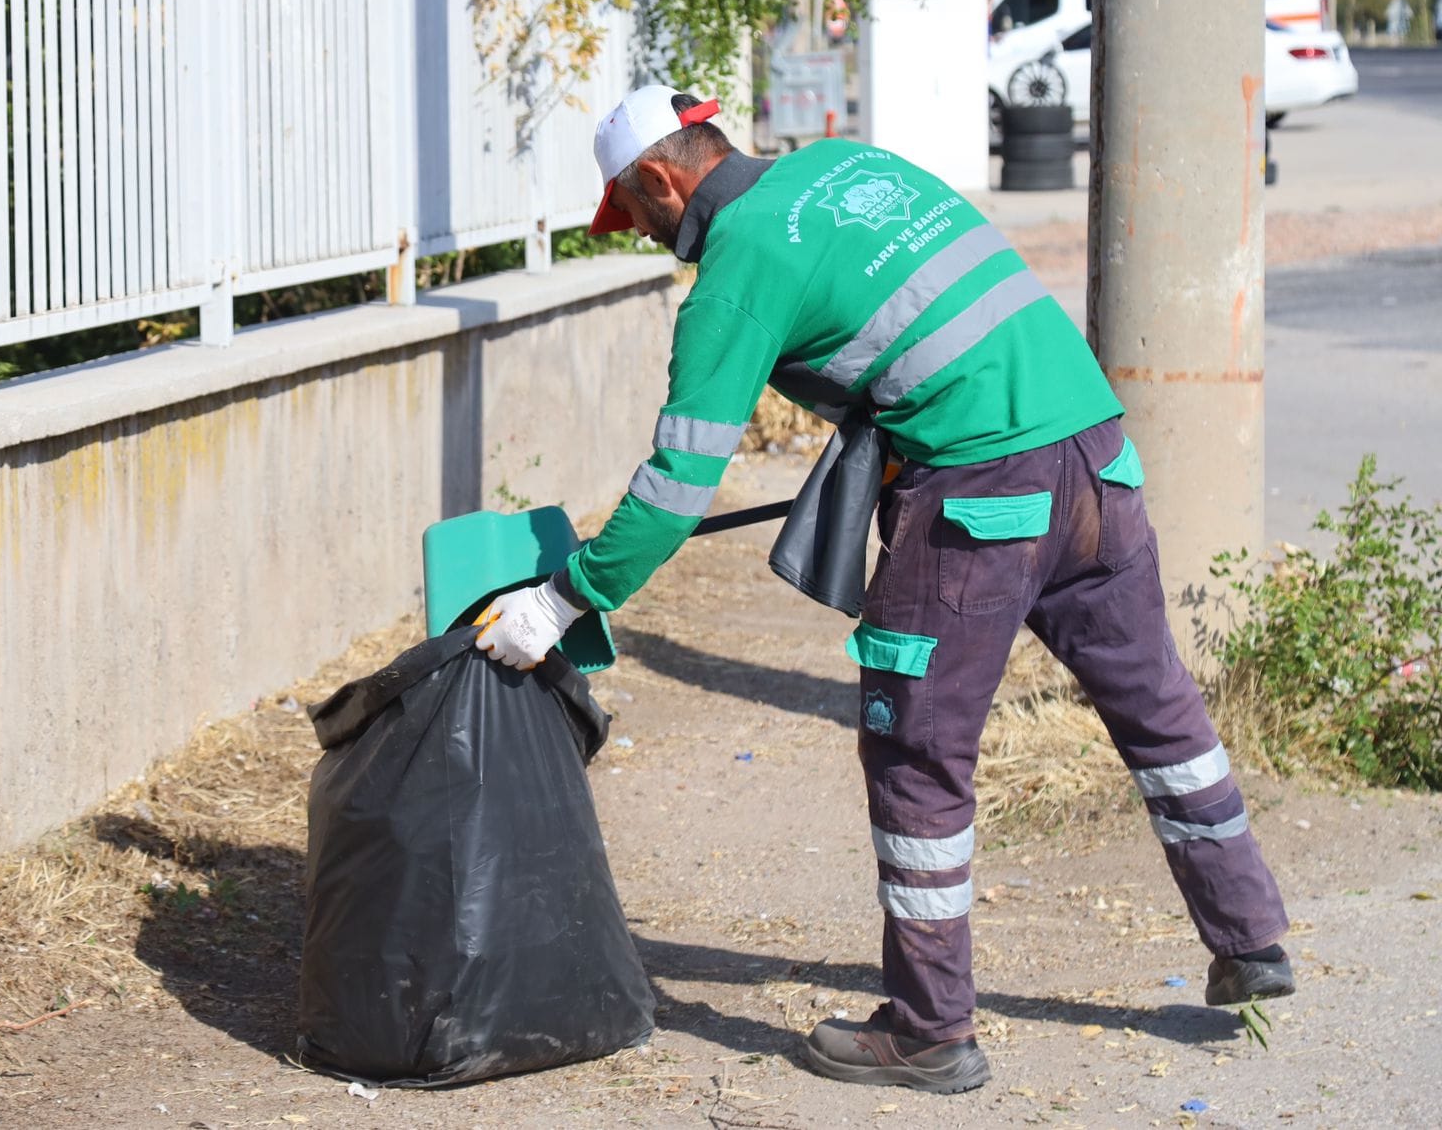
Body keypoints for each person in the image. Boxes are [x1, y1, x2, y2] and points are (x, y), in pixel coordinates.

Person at [474, 84, 1295, 1095]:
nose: (646, 235)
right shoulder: (846, 165)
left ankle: (928, 1030)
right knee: (1155, 705)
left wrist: (561, 600)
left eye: (634, 213)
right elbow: (915, 320)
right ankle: (1250, 935)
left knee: (915, 746)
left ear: (658, 177)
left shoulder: (736, 269)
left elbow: (676, 484)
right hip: (1093, 451)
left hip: (982, 498)